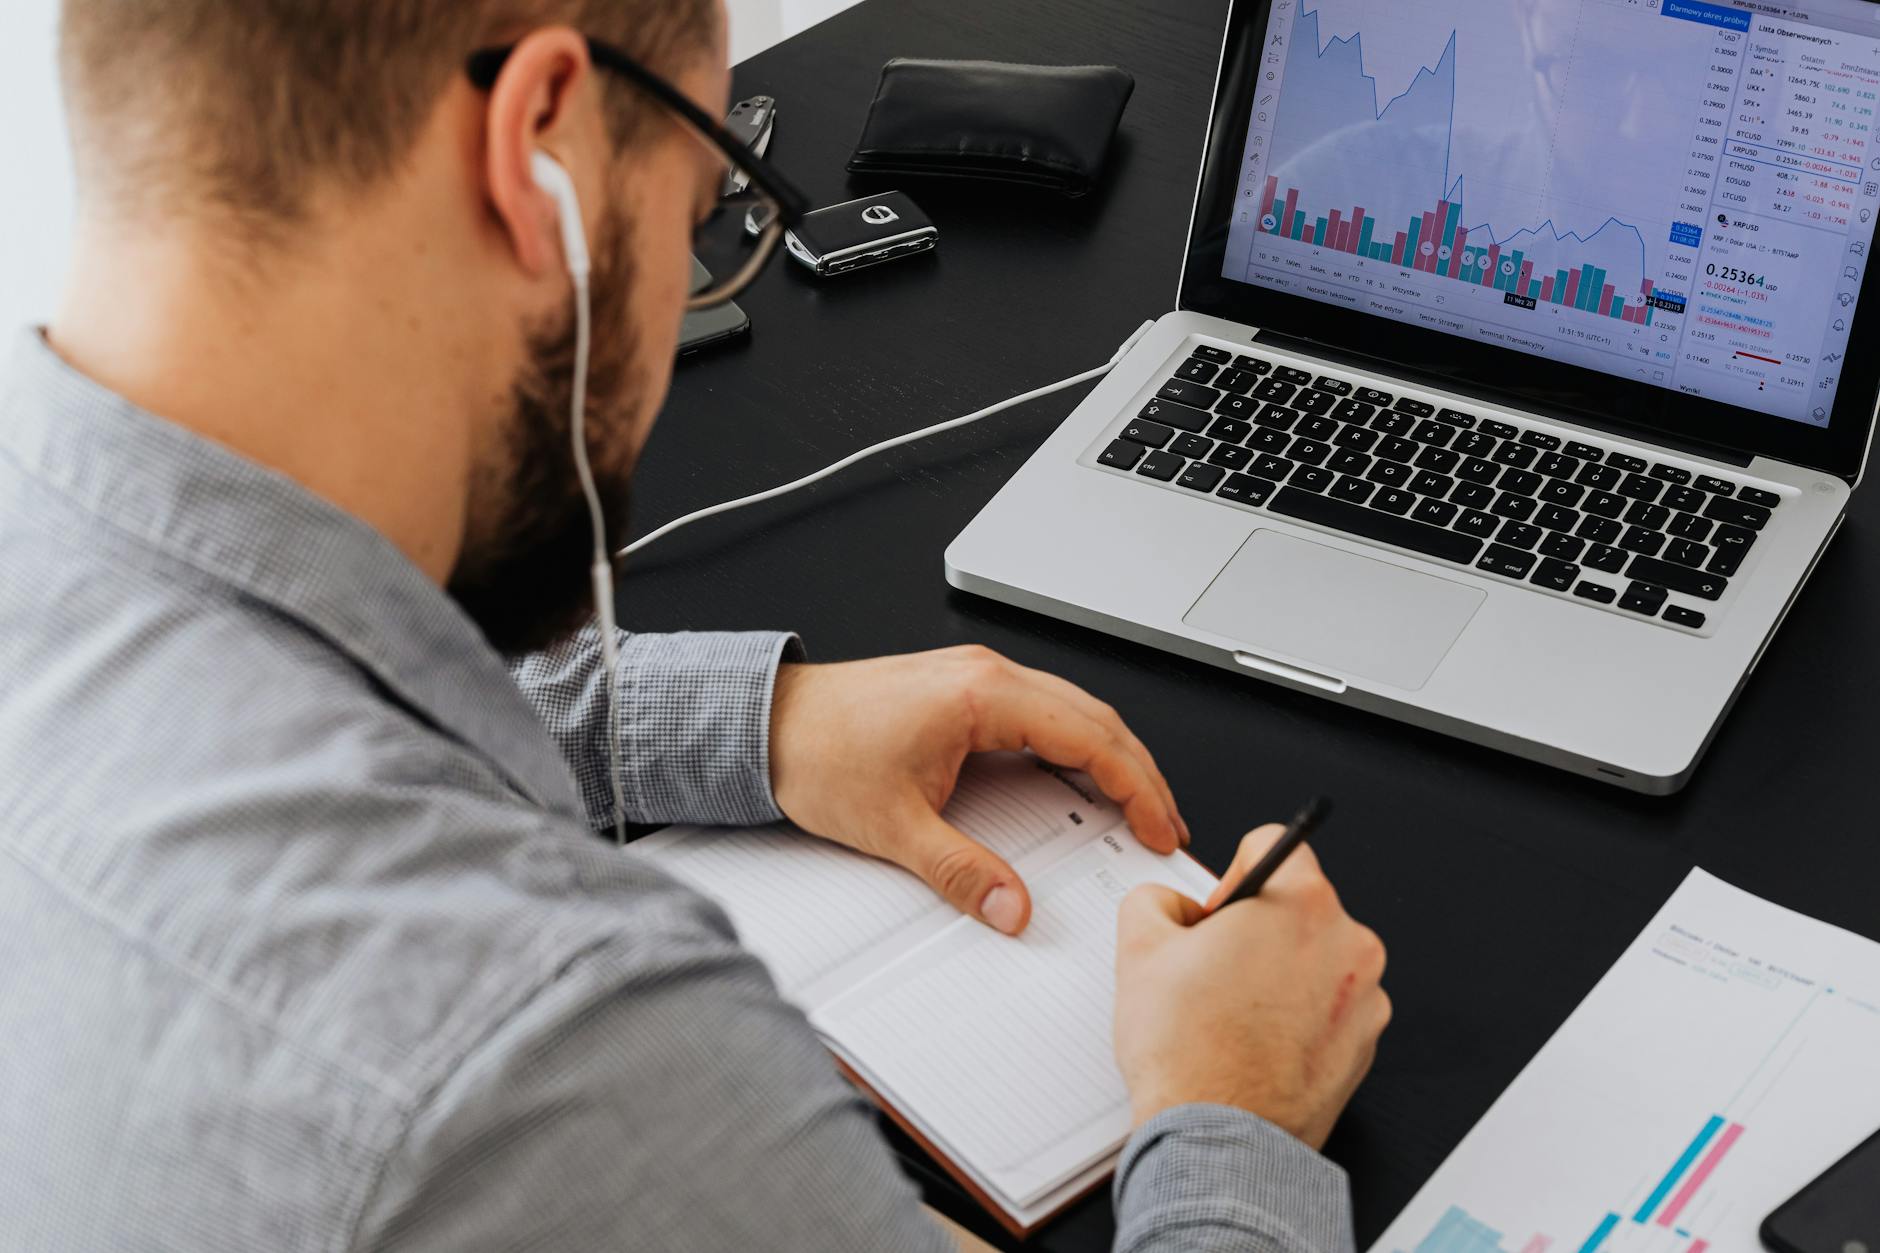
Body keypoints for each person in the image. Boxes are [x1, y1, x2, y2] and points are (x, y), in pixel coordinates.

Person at [0, 1, 1391, 1248]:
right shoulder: (549, 1070)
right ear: (532, 147)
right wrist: (1237, 1117)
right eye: (700, 220)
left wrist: (769, 722)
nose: (680, 309)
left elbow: (313, 679)